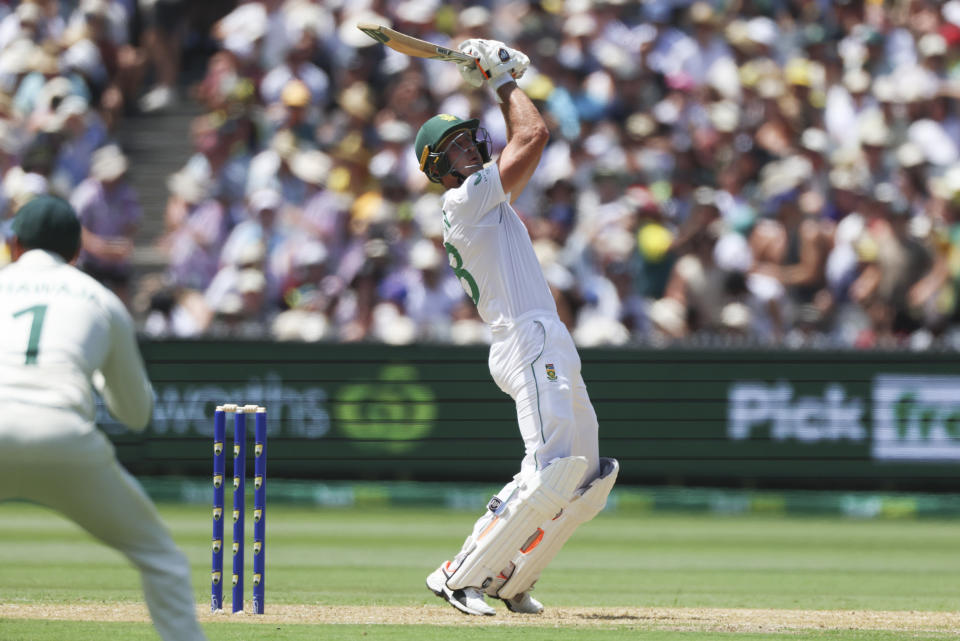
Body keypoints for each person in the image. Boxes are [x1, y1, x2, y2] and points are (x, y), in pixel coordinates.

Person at [417, 39, 619, 616]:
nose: (468, 151)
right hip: (524, 340)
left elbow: (525, 144)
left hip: (548, 335)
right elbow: (532, 137)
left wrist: (501, 79)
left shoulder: (491, 202)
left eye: (469, 139)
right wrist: (503, 81)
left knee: (585, 479)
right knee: (550, 469)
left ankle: (511, 578)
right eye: (453, 149)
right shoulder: (464, 203)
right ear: (438, 168)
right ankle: (458, 575)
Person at [0, 195, 208, 641]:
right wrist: (96, 380)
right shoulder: (101, 299)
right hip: (63, 436)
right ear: (77, 252)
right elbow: (135, 415)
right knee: (162, 559)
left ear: (14, 245)